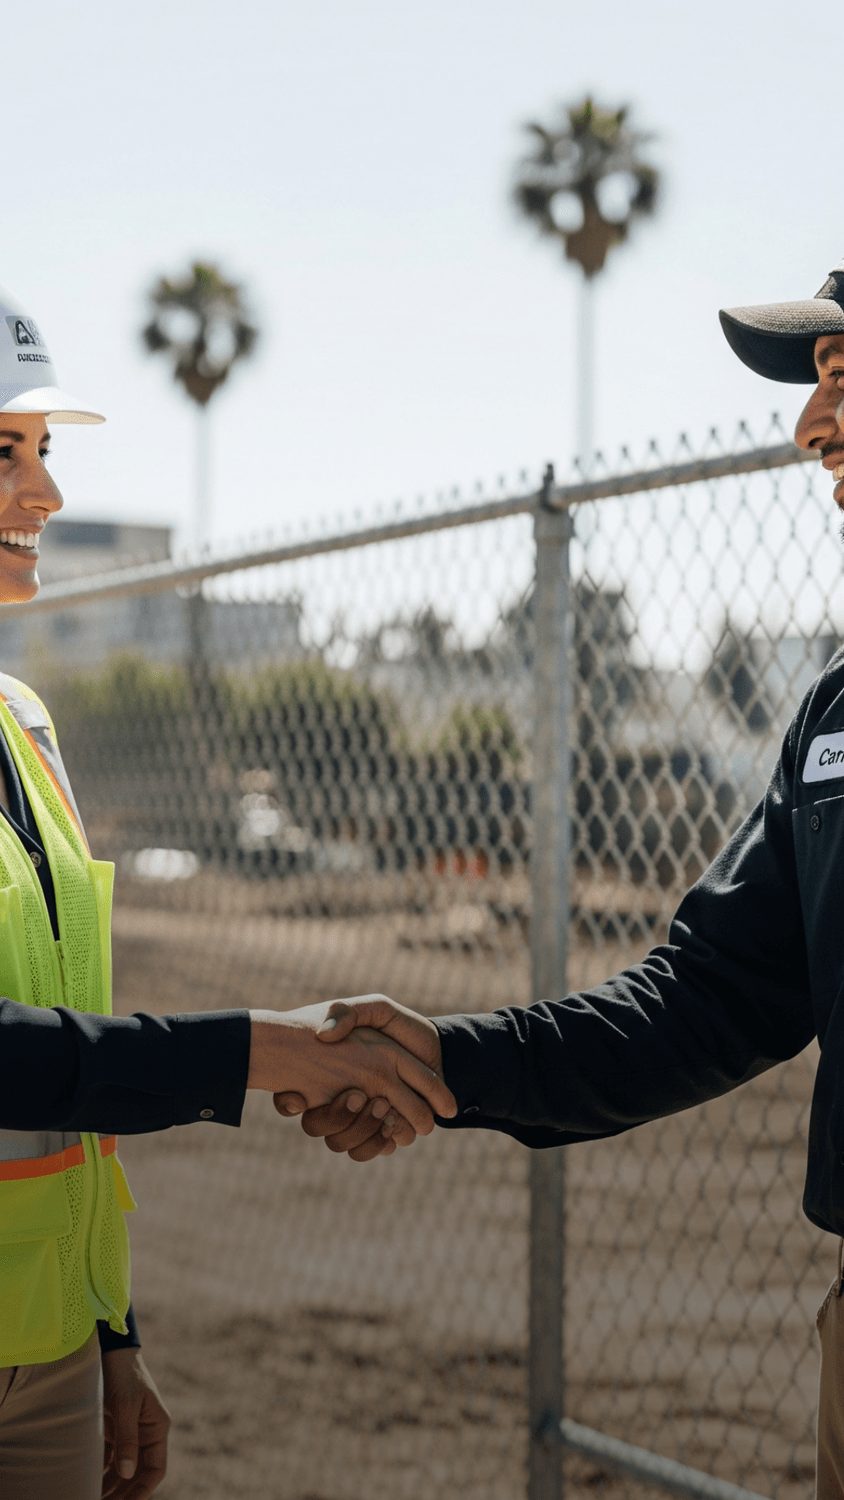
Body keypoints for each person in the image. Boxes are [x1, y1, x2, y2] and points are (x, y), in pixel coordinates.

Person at [285, 255, 844, 1499]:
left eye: (841, 378)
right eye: (815, 383)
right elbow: (705, 999)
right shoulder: (833, 713)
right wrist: (448, 1061)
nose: (810, 427)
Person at [0, 279, 456, 1500]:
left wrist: (110, 1333)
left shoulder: (26, 723)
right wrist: (262, 1050)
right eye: (3, 453)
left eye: (42, 451)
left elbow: (65, 1079)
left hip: (46, 1349)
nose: (45, 495)